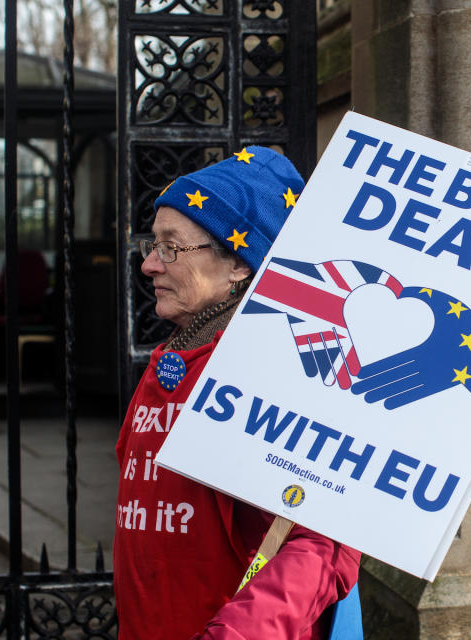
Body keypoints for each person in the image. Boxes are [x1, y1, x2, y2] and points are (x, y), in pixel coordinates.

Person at [114, 147, 361, 640]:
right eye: (152, 246)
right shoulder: (173, 357)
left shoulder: (270, 372)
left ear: (238, 265)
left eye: (171, 248)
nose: (150, 267)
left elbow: (321, 540)